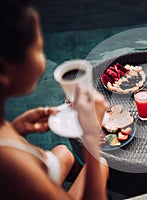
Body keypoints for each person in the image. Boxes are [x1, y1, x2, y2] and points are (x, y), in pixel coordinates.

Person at [0, 0, 109, 199]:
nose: (45, 61)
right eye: (39, 49)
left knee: (63, 152)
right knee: (101, 165)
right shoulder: (11, 164)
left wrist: (17, 130)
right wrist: (92, 137)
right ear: (4, 70)